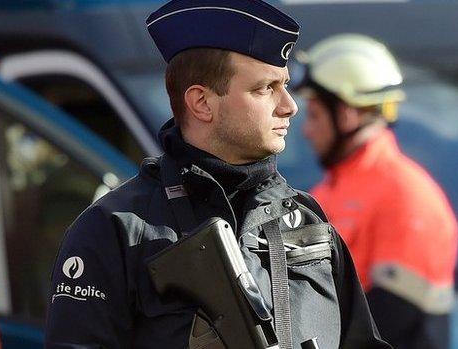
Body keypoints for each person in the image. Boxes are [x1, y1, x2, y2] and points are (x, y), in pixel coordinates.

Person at [44, 1, 389, 348]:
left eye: (284, 85)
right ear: (202, 103)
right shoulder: (115, 228)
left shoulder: (308, 220)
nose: (289, 105)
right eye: (265, 88)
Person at [297, 34, 458, 349]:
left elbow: (388, 324)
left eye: (315, 114)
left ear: (346, 115)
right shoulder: (329, 190)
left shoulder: (405, 195)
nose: (306, 129)